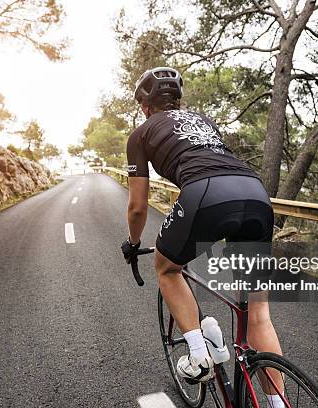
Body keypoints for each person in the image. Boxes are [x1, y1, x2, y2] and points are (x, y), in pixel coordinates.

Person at [120, 67, 283, 389]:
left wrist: (132, 242)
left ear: (144, 106)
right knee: (258, 312)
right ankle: (279, 402)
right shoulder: (205, 121)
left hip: (206, 194)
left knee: (168, 269)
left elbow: (138, 206)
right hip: (256, 193)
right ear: (178, 101)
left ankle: (199, 355)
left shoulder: (140, 134)